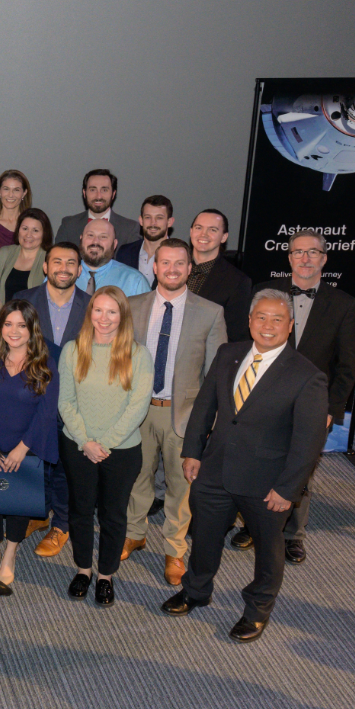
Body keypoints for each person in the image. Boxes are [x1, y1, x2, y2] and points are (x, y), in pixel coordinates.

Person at [161, 290, 329, 642]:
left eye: (277, 319)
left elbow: (308, 442)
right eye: (261, 318)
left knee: (268, 551)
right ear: (250, 321)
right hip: (215, 470)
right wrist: (192, 451)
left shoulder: (307, 376)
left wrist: (288, 488)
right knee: (204, 537)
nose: (268, 326)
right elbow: (205, 404)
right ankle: (196, 591)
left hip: (268, 483)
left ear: (290, 325)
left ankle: (257, 610)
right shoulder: (228, 354)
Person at [234, 229, 355, 563]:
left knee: (299, 468)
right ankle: (252, 525)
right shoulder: (263, 292)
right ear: (289, 258)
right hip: (261, 397)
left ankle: (293, 534)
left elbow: (347, 366)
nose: (305, 259)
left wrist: (332, 409)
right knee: (256, 462)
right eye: (298, 252)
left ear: (324, 259)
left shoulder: (343, 304)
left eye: (313, 253)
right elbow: (246, 348)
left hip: (311, 404)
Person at [120, 239, 227, 585]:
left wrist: (208, 424)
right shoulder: (132, 306)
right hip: (138, 409)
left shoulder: (210, 312)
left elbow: (217, 375)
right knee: (137, 476)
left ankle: (174, 549)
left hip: (184, 416)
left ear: (189, 268)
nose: (171, 270)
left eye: (179, 264)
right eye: (165, 263)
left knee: (180, 487)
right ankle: (134, 533)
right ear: (155, 267)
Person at [58, 286, 152, 608]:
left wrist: (104, 445)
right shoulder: (73, 350)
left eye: (112, 311)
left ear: (122, 316)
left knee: (114, 515)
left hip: (122, 450)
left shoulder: (138, 355)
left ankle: (106, 576)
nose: (104, 318)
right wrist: (86, 442)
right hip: (77, 445)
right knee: (81, 511)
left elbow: (138, 407)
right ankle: (84, 569)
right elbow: (65, 402)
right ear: (90, 313)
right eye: (98, 310)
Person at [0, 300, 60, 596]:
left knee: (19, 502)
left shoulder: (44, 362)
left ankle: (11, 554)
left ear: (32, 329)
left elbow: (46, 412)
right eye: (8, 324)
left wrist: (23, 448)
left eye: (22, 325)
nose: (14, 331)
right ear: (0, 327)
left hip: (28, 446)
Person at [16, 242, 90, 558]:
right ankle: (38, 512)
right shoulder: (24, 300)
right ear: (45, 266)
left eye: (70, 262)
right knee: (37, 460)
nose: (63, 267)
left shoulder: (92, 306)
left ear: (79, 269)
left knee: (65, 466)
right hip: (32, 396)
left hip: (76, 398)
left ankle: (61, 524)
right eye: (56, 261)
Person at [187, 209, 253, 342]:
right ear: (191, 232)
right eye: (199, 228)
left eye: (212, 230)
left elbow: (235, 335)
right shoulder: (170, 268)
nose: (203, 234)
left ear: (224, 237)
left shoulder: (238, 282)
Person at [55, 169, 142, 247]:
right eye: (93, 190)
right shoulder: (68, 225)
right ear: (84, 193)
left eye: (104, 190)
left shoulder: (130, 229)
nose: (98, 196)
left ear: (113, 194)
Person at [0, 207, 51, 302]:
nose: (28, 235)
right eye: (25, 229)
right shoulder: (4, 253)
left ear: (44, 234)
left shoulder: (50, 259)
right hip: (4, 315)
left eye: (35, 230)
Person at [79, 218, 151, 297]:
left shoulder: (135, 281)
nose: (95, 241)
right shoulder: (66, 275)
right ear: (81, 239)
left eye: (103, 237)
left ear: (114, 244)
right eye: (90, 235)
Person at [114, 195, 174, 288]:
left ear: (170, 222)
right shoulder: (124, 252)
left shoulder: (180, 255)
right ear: (141, 220)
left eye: (159, 218)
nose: (153, 223)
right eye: (148, 217)